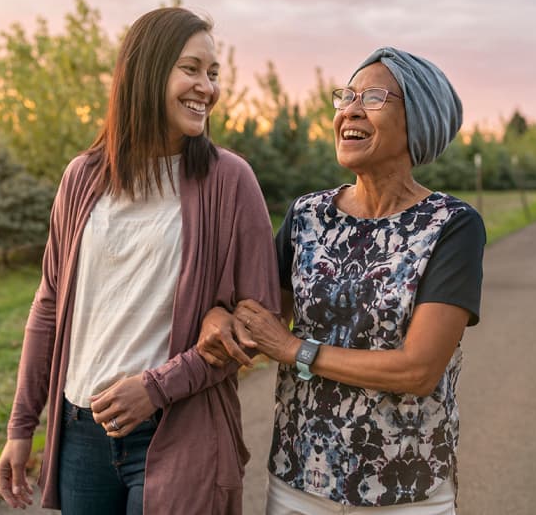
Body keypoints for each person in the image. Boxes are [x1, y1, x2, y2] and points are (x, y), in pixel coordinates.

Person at [0, 7, 281, 515]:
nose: (207, 88)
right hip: (81, 430)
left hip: (179, 429)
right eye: (191, 69)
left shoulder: (231, 181)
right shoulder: (82, 177)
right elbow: (48, 305)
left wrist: (156, 387)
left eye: (213, 74)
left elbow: (258, 324)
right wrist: (22, 427)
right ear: (146, 71)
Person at [198, 47, 485, 514]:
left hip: (406, 492)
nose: (349, 109)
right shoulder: (307, 215)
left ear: (419, 119)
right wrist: (218, 315)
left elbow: (418, 371)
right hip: (298, 483)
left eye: (372, 97)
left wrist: (294, 350)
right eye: (346, 96)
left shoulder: (452, 226)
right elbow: (257, 317)